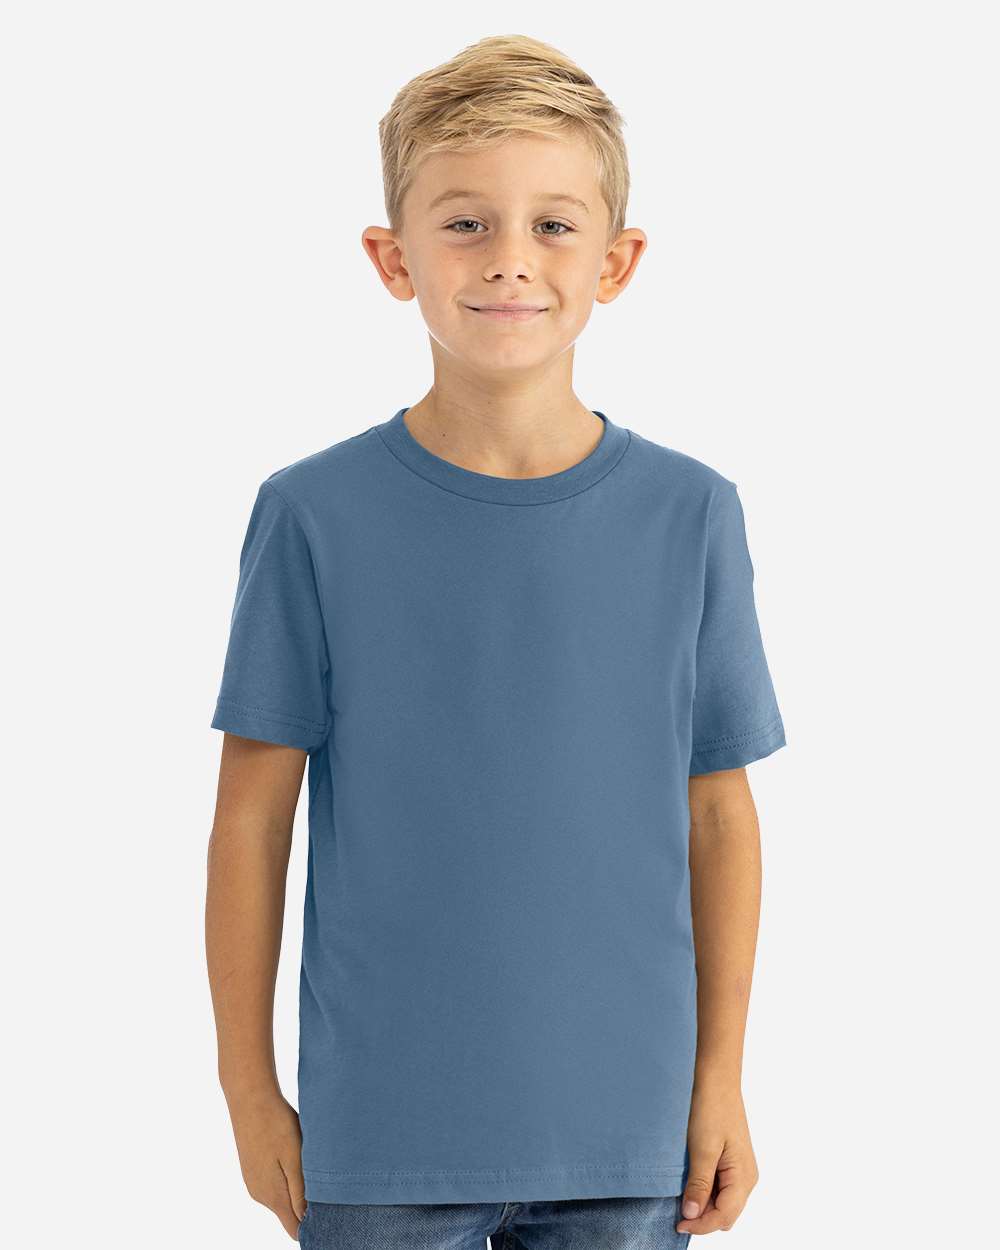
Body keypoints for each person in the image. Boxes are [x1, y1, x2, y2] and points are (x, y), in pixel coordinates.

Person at [206, 33, 787, 1249]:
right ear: (393, 258)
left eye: (553, 226)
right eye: (465, 223)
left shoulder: (690, 513)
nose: (510, 259)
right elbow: (253, 818)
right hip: (380, 1135)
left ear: (616, 261)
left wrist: (721, 1077)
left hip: (627, 1133)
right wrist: (248, 1089)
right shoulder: (312, 514)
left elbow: (719, 815)